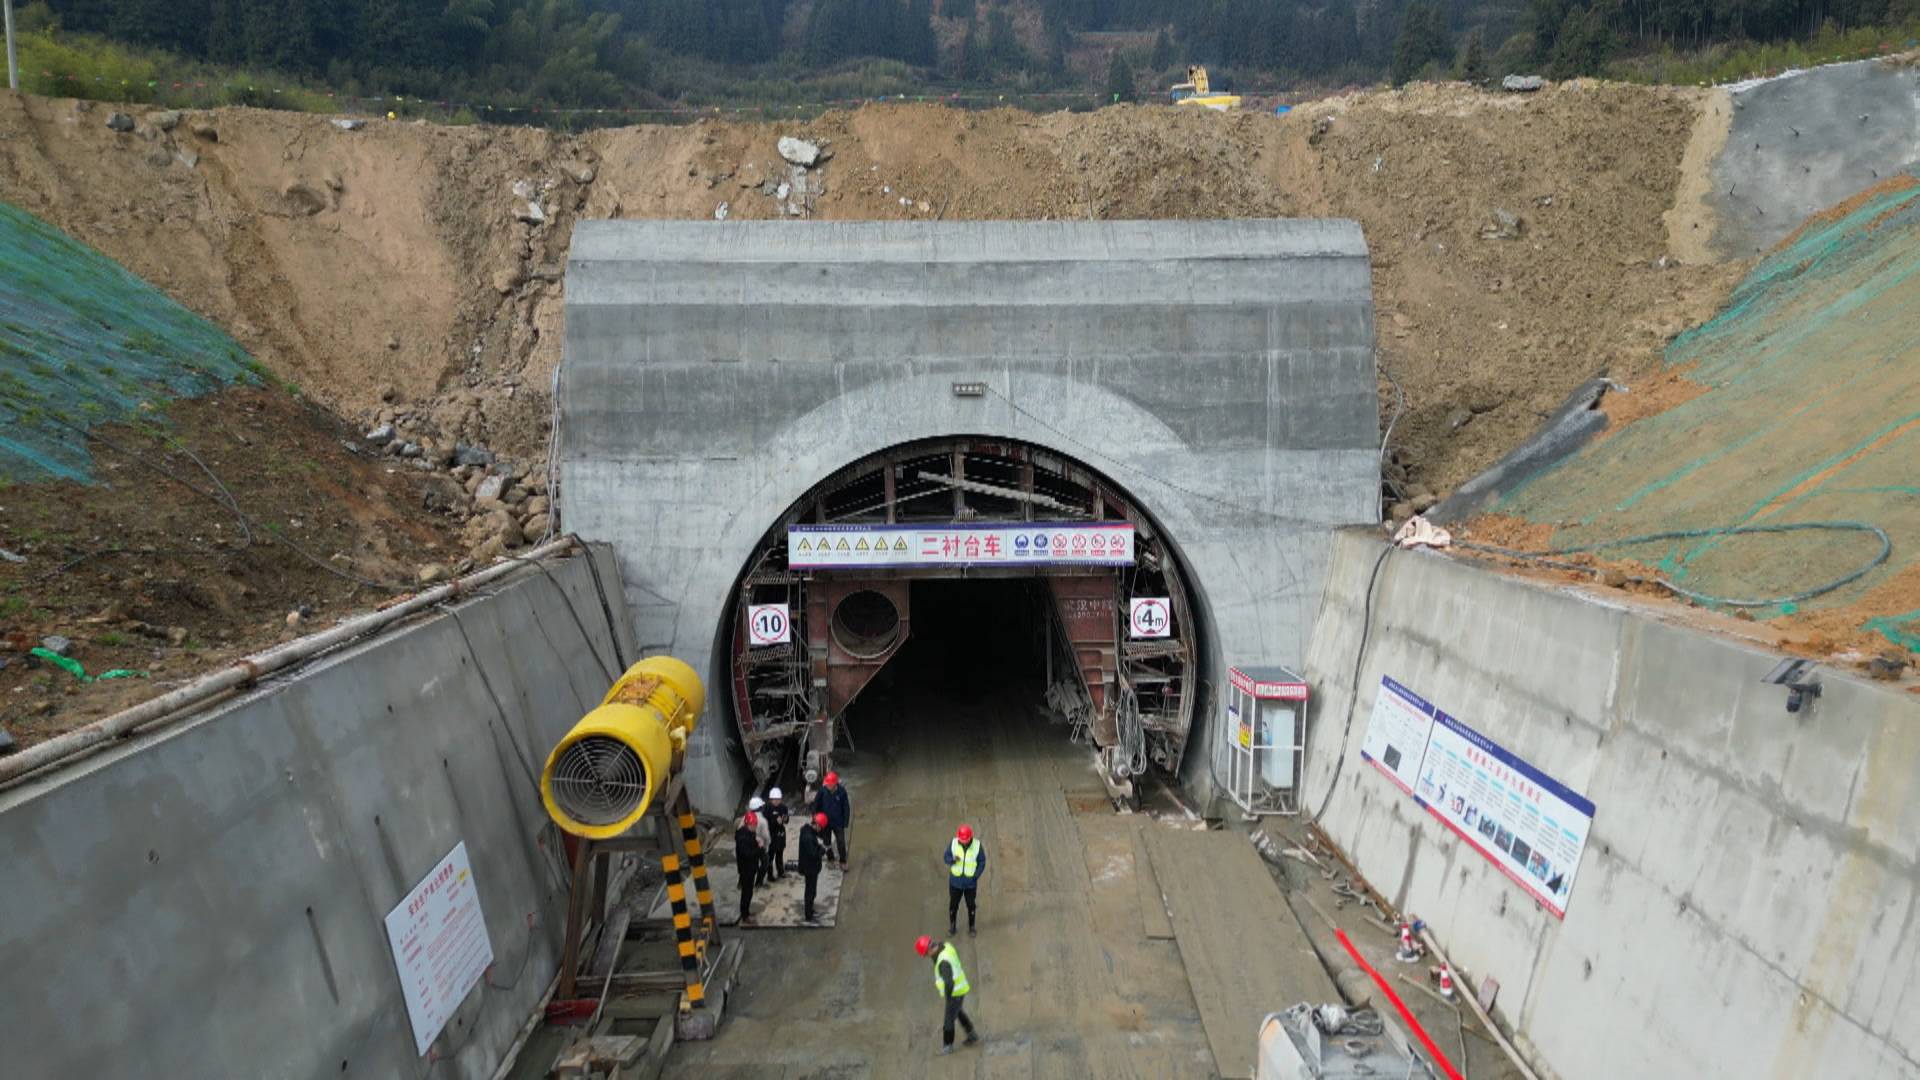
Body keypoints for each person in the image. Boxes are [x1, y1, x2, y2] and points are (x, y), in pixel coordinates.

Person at [915, 934, 979, 1055]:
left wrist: (948, 997)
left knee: (949, 1019)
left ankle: (947, 1046)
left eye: (926, 954)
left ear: (929, 950)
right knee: (958, 1012)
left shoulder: (943, 962)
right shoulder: (946, 946)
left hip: (955, 992)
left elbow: (949, 983)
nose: (927, 957)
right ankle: (972, 1034)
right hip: (960, 988)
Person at [943, 824, 985, 936]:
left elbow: (982, 862)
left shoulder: (977, 846)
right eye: (961, 840)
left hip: (970, 884)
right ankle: (952, 927)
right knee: (953, 905)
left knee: (971, 905)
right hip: (955, 883)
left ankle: (972, 927)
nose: (963, 842)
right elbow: (946, 857)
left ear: (970, 837)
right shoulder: (953, 843)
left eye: (965, 840)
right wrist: (952, 860)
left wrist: (975, 876)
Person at [815, 770, 852, 870]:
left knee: (841, 842)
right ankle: (830, 859)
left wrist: (845, 821)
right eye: (827, 784)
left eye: (830, 785)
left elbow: (846, 807)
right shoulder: (822, 791)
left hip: (838, 822)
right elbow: (816, 804)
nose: (828, 786)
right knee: (827, 842)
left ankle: (843, 861)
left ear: (835, 784)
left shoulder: (842, 792)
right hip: (825, 822)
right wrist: (816, 818)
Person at [799, 811, 829, 924]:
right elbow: (814, 854)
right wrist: (823, 849)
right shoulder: (808, 837)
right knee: (810, 892)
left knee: (812, 891)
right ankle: (809, 915)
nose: (820, 830)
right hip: (810, 868)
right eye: (820, 827)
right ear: (816, 825)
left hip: (811, 867)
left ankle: (810, 910)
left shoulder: (807, 831)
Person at [734, 810, 763, 926]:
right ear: (747, 824)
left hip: (751, 868)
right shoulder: (742, 838)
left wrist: (756, 843)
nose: (755, 827)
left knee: (749, 892)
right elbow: (748, 854)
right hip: (746, 869)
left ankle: (747, 912)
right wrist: (759, 848)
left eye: (755, 825)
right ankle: (745, 915)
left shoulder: (749, 833)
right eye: (753, 825)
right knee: (746, 893)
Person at [763, 787, 790, 882]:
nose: (777, 801)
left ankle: (781, 872)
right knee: (770, 856)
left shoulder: (783, 807)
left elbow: (787, 819)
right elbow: (765, 823)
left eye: (778, 799)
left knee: (780, 854)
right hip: (771, 835)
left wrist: (785, 819)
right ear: (771, 799)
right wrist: (775, 822)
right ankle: (770, 875)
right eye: (775, 799)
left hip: (780, 835)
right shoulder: (767, 808)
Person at [746, 796, 771, 886]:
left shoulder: (745, 817)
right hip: (758, 845)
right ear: (760, 808)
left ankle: (742, 882)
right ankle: (759, 882)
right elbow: (766, 836)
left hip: (747, 844)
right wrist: (766, 846)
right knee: (765, 862)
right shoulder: (762, 820)